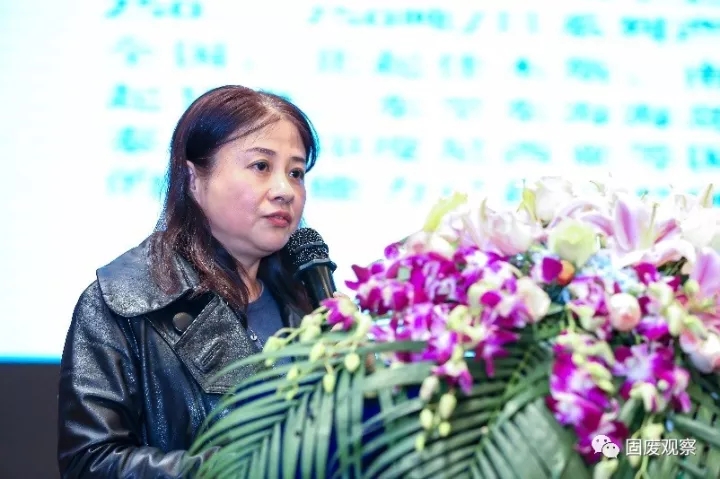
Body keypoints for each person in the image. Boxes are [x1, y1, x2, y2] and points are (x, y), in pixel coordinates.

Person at [57, 85, 321, 478]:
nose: (285, 190)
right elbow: (90, 462)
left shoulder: (310, 306)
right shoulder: (123, 302)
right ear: (194, 178)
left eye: (295, 172)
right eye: (261, 166)